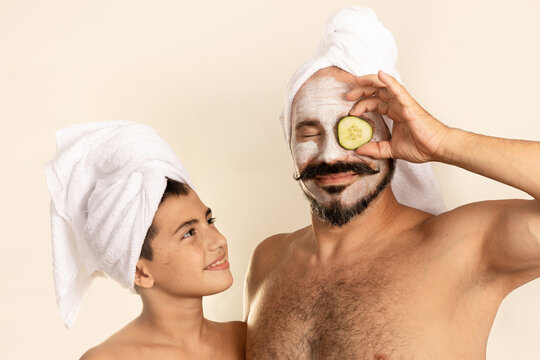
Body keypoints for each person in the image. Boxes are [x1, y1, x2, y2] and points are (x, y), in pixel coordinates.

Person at [244, 6, 540, 360]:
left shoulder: (461, 248)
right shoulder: (269, 261)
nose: (331, 155)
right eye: (309, 132)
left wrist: (443, 142)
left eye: (354, 129)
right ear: (288, 142)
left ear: (392, 135)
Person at [45, 121, 245, 360]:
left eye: (210, 221)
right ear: (140, 272)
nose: (219, 241)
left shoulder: (244, 339)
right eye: (189, 233)